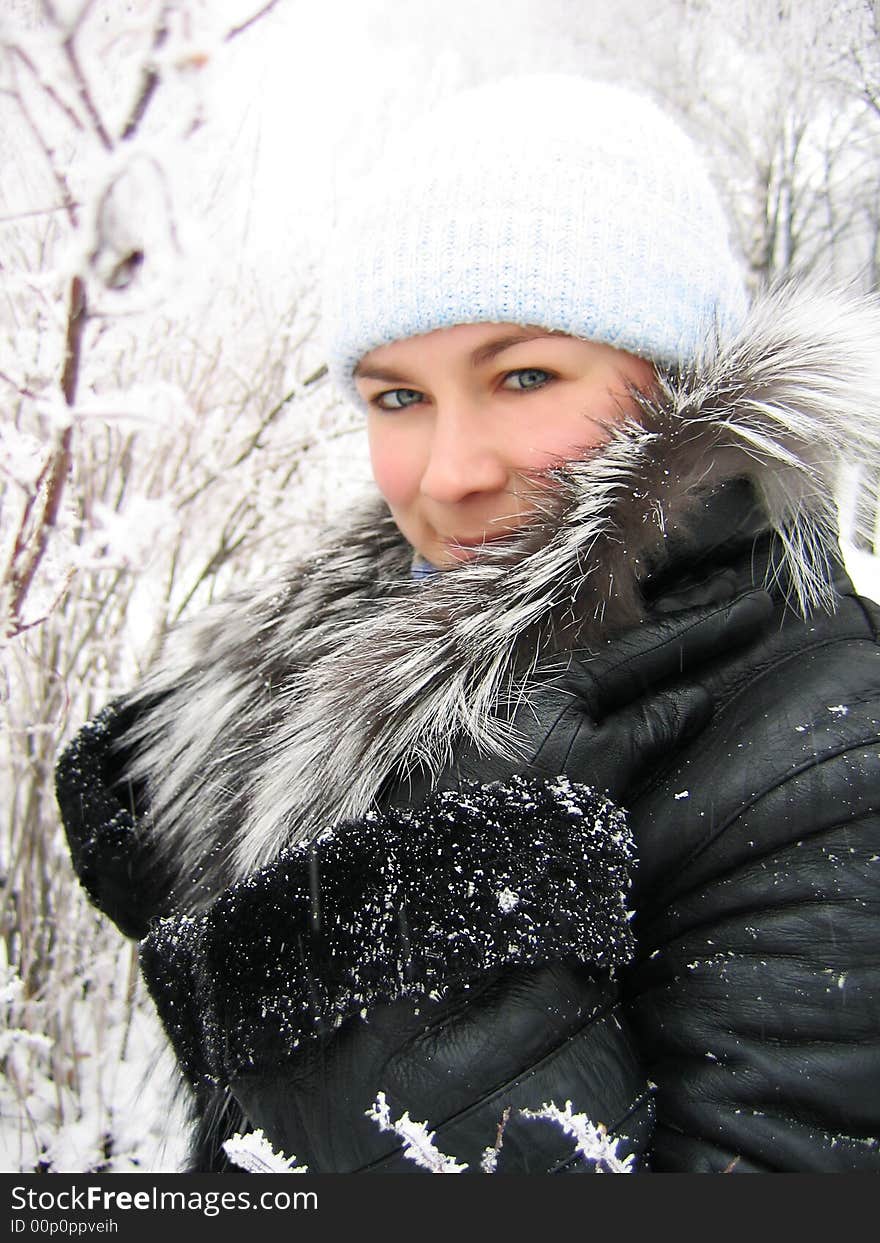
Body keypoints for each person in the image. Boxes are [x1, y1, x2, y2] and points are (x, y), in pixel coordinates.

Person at [55, 74, 880, 1174]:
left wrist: (390, 1002)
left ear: (678, 378)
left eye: (524, 374)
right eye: (397, 397)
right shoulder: (346, 658)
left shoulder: (827, 745)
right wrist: (201, 818)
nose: (447, 474)